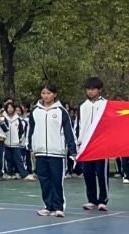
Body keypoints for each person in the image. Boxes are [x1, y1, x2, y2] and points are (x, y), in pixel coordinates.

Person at [30, 83, 76, 218]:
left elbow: (69, 132)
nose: (46, 96)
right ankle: (48, 206)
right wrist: (30, 146)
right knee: (44, 180)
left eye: (49, 93)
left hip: (57, 153)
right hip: (40, 152)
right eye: (43, 93)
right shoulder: (35, 111)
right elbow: (30, 130)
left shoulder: (61, 111)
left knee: (57, 180)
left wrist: (72, 150)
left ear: (55, 94)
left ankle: (58, 207)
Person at [77, 77, 110, 211]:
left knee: (101, 173)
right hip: (86, 144)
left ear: (99, 90)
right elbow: (80, 125)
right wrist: (80, 141)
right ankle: (92, 199)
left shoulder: (105, 104)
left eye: (93, 89)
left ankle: (103, 200)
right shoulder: (83, 106)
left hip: (101, 143)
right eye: (88, 89)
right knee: (88, 172)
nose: (90, 92)